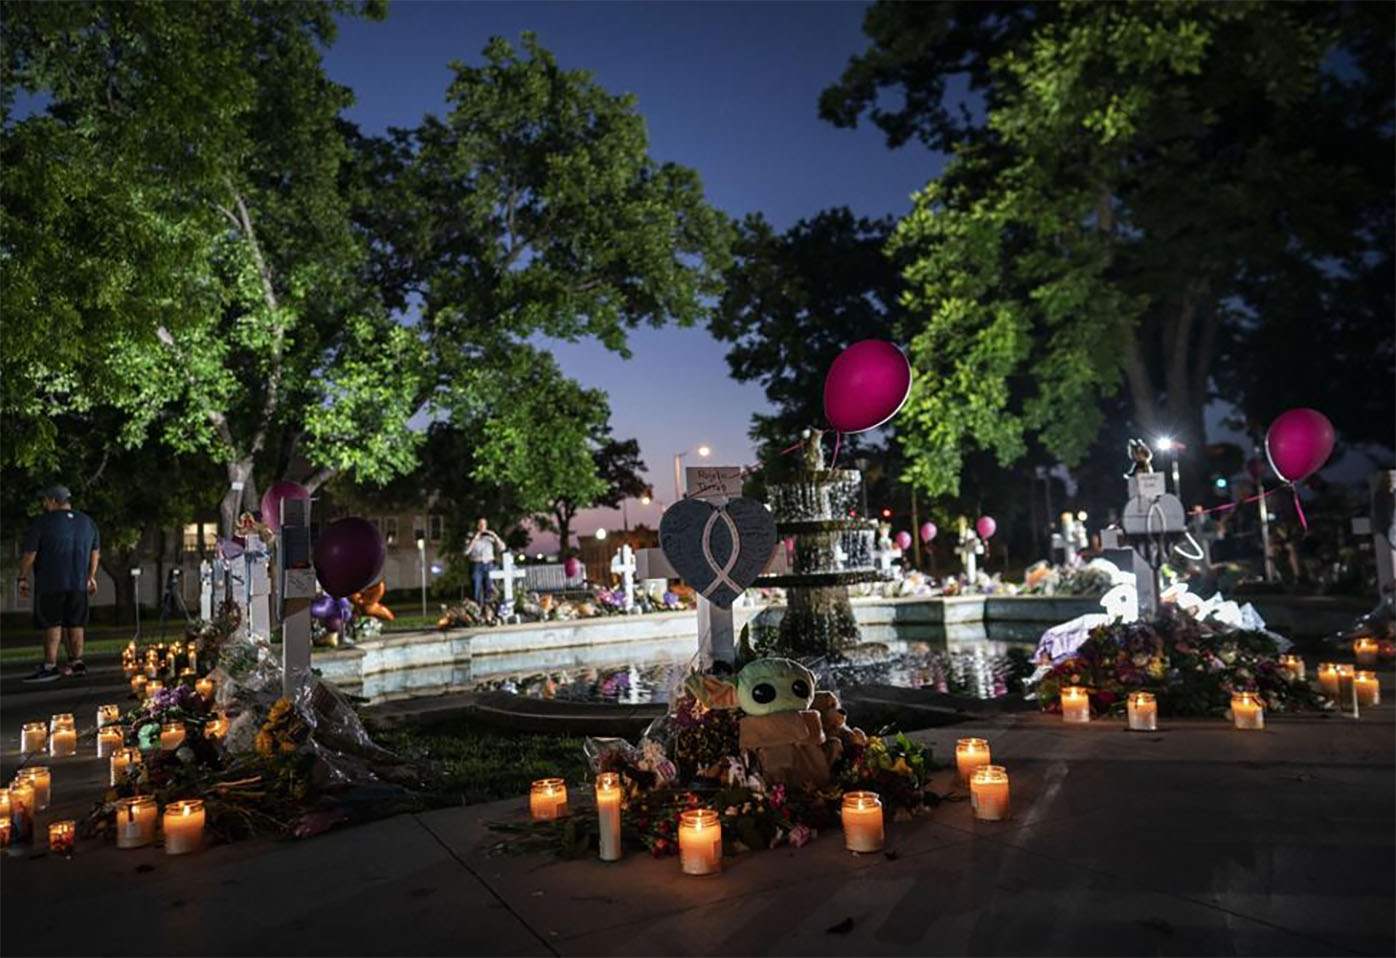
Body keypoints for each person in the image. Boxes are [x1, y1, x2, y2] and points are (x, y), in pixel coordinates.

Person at [17, 485, 101, 682]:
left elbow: (30, 553)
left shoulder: (42, 523)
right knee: (76, 623)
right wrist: (91, 576)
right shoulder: (87, 522)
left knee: (52, 623)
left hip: (51, 583)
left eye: (45, 500)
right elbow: (95, 552)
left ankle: (50, 666)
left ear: (53, 501)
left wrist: (22, 577)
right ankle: (77, 663)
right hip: (78, 584)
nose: (43, 504)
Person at [465, 517, 505, 607]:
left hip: (489, 564)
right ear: (477, 526)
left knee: (489, 588)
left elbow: (502, 548)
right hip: (476, 564)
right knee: (476, 587)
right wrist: (475, 538)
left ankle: (488, 609)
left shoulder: (490, 537)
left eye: (484, 524)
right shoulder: (471, 536)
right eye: (480, 524)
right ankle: (476, 607)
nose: (482, 526)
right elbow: (466, 551)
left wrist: (494, 536)